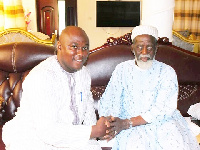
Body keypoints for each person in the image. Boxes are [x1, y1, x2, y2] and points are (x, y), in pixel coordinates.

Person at [2, 26, 108, 150]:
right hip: (33, 137)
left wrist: (98, 133)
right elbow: (48, 132)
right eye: (74, 47)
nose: (81, 53)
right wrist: (93, 131)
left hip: (69, 135)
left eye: (84, 48)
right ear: (59, 46)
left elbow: (88, 108)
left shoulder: (83, 73)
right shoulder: (42, 76)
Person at [99, 25, 200, 150]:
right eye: (140, 47)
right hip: (128, 123)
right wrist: (110, 123)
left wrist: (127, 123)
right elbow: (110, 99)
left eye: (150, 47)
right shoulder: (122, 69)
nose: (144, 52)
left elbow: (163, 110)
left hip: (162, 123)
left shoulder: (167, 72)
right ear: (132, 48)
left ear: (156, 48)